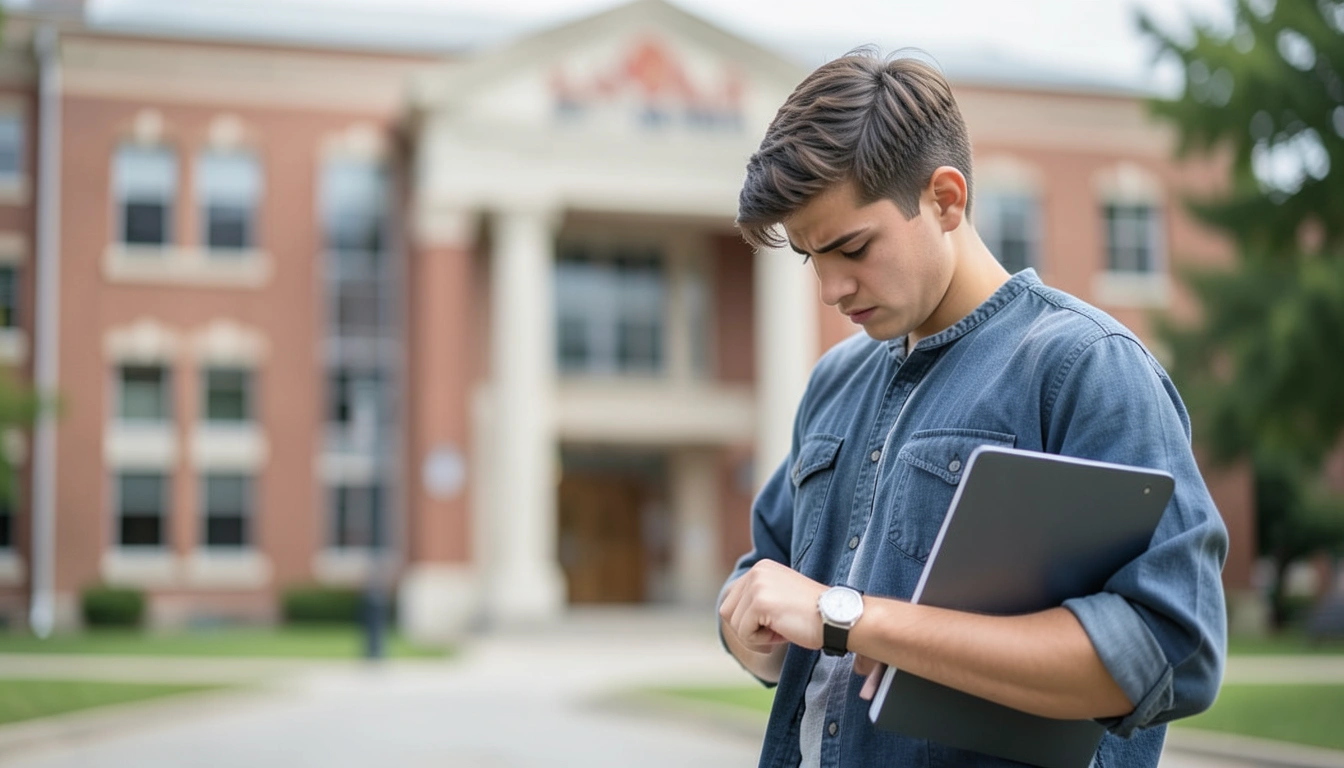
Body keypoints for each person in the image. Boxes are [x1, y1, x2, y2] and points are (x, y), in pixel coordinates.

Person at [717, 49, 1228, 768]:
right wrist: (748, 623)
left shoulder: (1085, 366)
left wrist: (849, 619)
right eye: (810, 258)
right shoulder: (834, 380)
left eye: (852, 248)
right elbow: (764, 576)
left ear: (947, 199)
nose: (831, 289)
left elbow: (1168, 649)